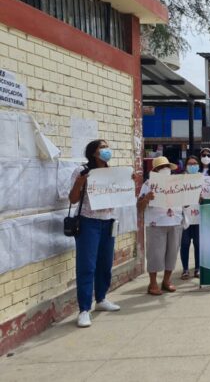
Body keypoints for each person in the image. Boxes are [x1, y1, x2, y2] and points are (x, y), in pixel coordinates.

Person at [68, 139, 124, 328]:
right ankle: (84, 309)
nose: (106, 150)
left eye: (107, 147)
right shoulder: (82, 171)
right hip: (88, 222)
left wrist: (128, 183)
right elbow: (73, 199)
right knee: (87, 266)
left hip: (108, 221)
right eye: (102, 147)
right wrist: (80, 182)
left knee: (105, 263)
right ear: (93, 152)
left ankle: (101, 298)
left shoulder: (112, 172)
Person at [137, 156, 183, 296]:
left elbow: (185, 202)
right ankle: (152, 283)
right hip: (156, 224)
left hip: (175, 221)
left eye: (167, 167)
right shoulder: (148, 184)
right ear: (155, 170)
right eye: (161, 167)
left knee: (172, 253)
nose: (165, 169)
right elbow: (139, 207)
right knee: (155, 254)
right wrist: (146, 198)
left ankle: (166, 281)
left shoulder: (177, 183)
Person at [180, 155, 203, 280]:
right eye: (190, 164)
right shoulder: (180, 179)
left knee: (198, 244)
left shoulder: (203, 179)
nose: (192, 166)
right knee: (184, 244)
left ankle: (198, 268)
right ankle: (185, 269)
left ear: (198, 165)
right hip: (184, 217)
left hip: (199, 217)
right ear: (186, 166)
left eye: (195, 163)